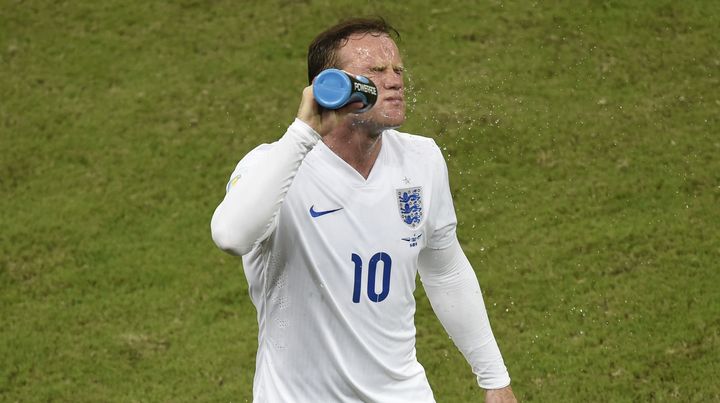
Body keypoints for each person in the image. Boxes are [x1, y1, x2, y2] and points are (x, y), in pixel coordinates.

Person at [210, 17, 517, 403]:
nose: (394, 80)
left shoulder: (421, 159)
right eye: (375, 70)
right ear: (331, 86)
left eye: (397, 70)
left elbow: (446, 271)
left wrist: (494, 378)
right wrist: (305, 132)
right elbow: (230, 236)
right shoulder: (273, 166)